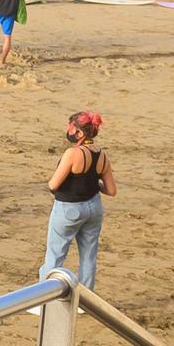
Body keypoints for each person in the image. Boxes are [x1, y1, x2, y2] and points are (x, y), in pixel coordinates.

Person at [41, 111, 116, 289]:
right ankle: (85, 301)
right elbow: (111, 190)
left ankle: (44, 300)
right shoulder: (102, 156)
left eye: (71, 127)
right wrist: (94, 184)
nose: (68, 130)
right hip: (94, 208)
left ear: (80, 133)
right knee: (89, 256)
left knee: (55, 255)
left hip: (69, 209)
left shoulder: (72, 153)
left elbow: (53, 184)